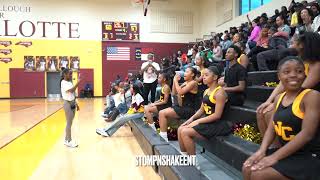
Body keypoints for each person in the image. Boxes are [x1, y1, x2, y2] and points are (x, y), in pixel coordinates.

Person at [242, 57, 320, 180]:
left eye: (299, 71)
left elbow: (307, 134)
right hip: (288, 154)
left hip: (309, 156)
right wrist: (262, 150)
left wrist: (274, 157)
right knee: (247, 167)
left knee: (259, 174)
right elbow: (272, 128)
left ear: (305, 74)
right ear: (279, 76)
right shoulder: (279, 98)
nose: (294, 75)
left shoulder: (311, 96)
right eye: (287, 72)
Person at [257, 32, 320, 136]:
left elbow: (302, 88)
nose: (295, 46)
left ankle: (278, 147)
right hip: (297, 97)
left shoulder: (317, 65)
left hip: (309, 100)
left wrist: (279, 103)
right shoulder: (302, 62)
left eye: (299, 44)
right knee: (261, 112)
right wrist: (269, 101)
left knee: (270, 114)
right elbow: (282, 84)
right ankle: (268, 148)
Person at [178, 66, 232, 155]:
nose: (203, 77)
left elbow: (217, 115)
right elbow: (201, 110)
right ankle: (184, 157)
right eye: (203, 75)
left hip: (218, 124)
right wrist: (191, 120)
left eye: (206, 75)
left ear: (215, 77)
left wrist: (197, 122)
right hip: (208, 122)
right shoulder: (206, 91)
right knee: (180, 128)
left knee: (185, 132)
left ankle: (193, 163)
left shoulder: (220, 93)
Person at [158, 67, 198, 142]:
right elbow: (174, 93)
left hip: (189, 109)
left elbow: (180, 92)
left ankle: (163, 138)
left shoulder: (193, 83)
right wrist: (174, 80)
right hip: (182, 107)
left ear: (192, 74)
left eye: (187, 72)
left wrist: (176, 81)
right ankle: (164, 135)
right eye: (185, 72)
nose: (185, 73)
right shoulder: (186, 83)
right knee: (162, 113)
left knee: (162, 113)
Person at [61, 68, 81, 148]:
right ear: (65, 74)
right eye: (69, 74)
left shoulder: (69, 82)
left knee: (70, 122)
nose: (71, 75)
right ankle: (69, 141)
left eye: (71, 74)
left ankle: (66, 139)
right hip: (67, 104)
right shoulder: (63, 82)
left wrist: (76, 103)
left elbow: (72, 95)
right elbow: (72, 91)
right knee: (69, 123)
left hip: (72, 103)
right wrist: (78, 82)